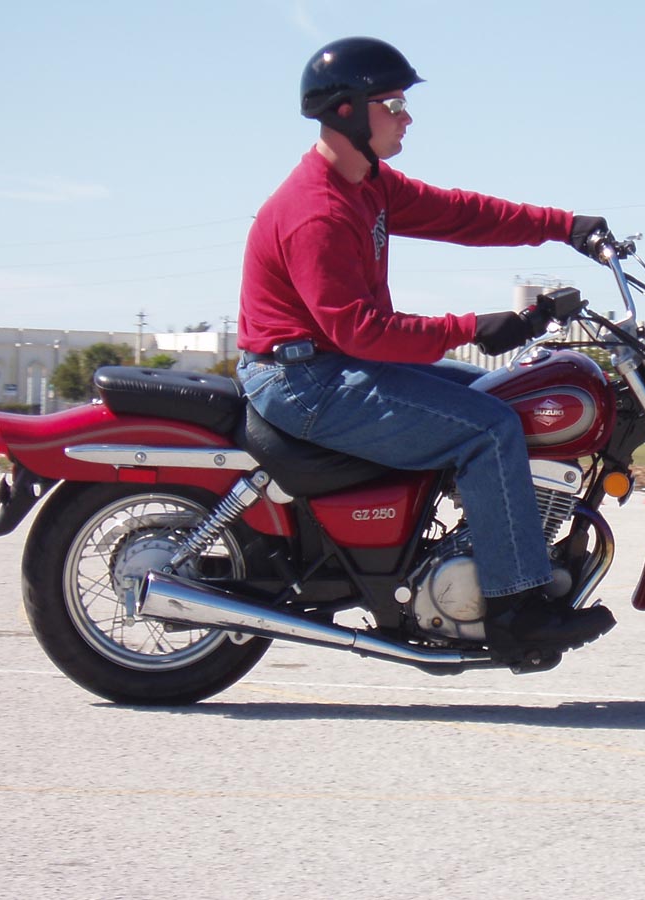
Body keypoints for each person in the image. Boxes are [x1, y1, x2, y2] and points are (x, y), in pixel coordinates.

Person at [236, 37, 616, 664]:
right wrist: (472, 326)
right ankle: (515, 610)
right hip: (301, 381)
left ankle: (476, 555)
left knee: (498, 398)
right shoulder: (317, 211)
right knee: (489, 429)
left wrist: (562, 225)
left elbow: (461, 214)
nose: (406, 117)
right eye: (392, 104)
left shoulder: (366, 184)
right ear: (347, 111)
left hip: (334, 364)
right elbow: (360, 330)